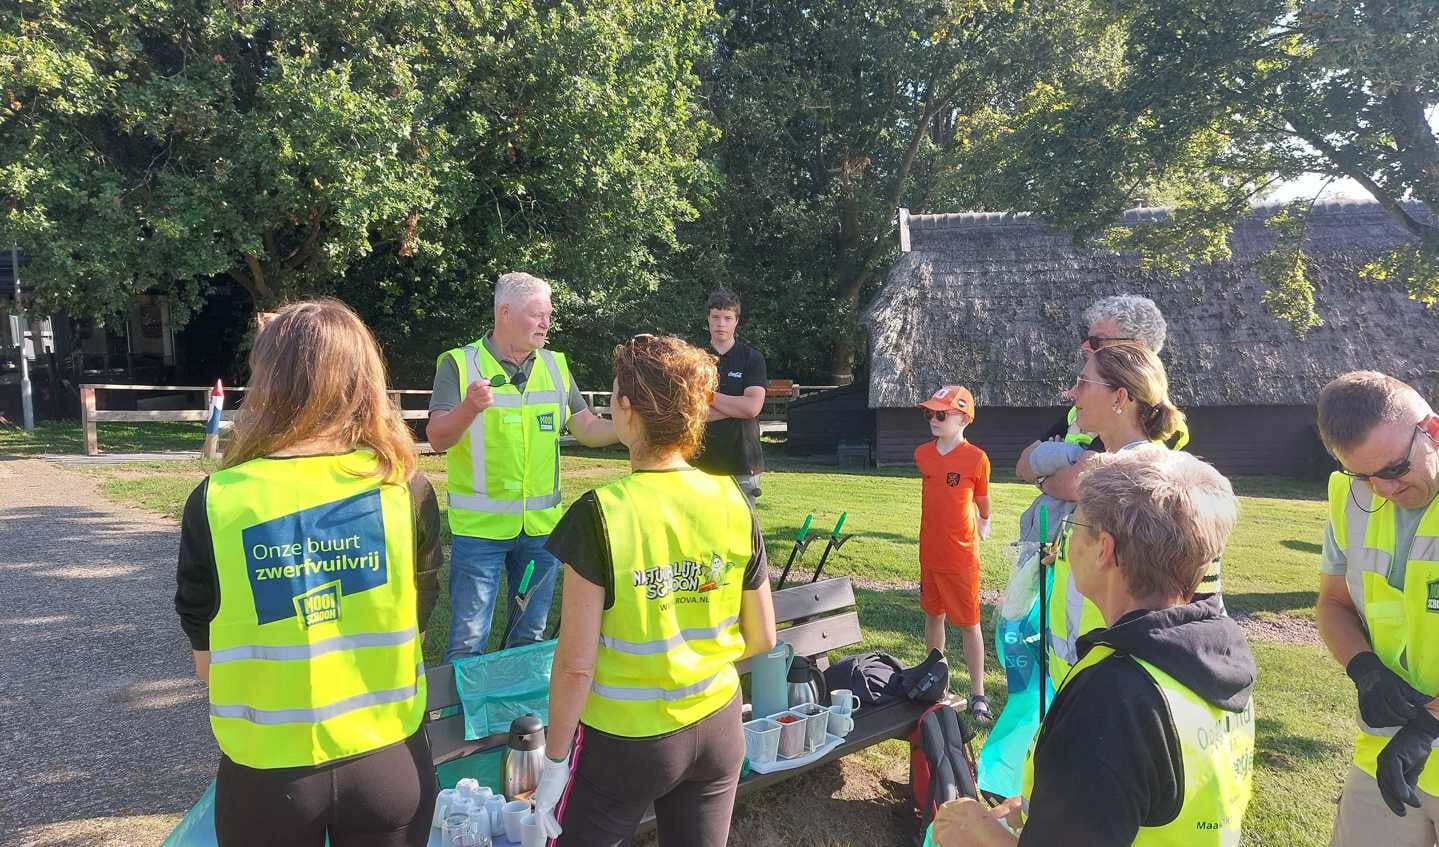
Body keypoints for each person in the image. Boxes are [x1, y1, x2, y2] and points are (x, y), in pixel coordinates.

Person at [174, 299, 442, 846]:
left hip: (266, 777)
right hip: (389, 761)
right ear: (365, 377)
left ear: (267, 382)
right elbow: (413, 627)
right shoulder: (405, 491)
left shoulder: (218, 501)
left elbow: (207, 665)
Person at [933, 447, 1256, 846]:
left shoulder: (1114, 697)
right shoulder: (1212, 657)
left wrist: (975, 830)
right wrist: (1044, 805)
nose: (1065, 542)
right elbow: (1149, 791)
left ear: (1104, 549)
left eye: (1073, 526)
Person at [529, 334, 778, 847]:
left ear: (626, 408)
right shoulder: (732, 500)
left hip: (625, 741)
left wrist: (554, 763)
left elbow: (575, 665)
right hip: (718, 725)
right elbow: (763, 637)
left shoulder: (600, 512)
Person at [427, 272, 617, 661]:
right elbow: (437, 437)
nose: (546, 323)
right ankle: (467, 722)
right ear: (505, 313)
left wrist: (631, 431)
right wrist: (468, 408)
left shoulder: (555, 366)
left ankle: (519, 720)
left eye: (548, 314)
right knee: (468, 641)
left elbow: (586, 427)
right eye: (537, 315)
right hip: (480, 533)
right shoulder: (459, 364)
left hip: (542, 532)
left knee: (529, 638)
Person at [1040, 344, 1216, 685]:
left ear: (1119, 397)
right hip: (1080, 676)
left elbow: (1200, 595)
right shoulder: (1106, 473)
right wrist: (1065, 556)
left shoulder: (1151, 483)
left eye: (1083, 382)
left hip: (1117, 681)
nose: (1071, 392)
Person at [1315, 371, 1439, 845]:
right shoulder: (1352, 497)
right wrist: (1364, 668)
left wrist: (1429, 726)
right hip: (1384, 748)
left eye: (1394, 469)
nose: (1382, 490)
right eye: (1363, 475)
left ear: (1433, 430)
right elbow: (1332, 603)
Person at [914, 385, 993, 722]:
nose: (933, 419)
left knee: (969, 623)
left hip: (961, 558)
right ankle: (935, 678)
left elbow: (982, 498)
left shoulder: (976, 458)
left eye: (941, 414)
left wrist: (985, 521)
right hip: (930, 553)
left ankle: (978, 693)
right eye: (929, 413)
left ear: (963, 418)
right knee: (934, 614)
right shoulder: (923, 454)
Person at [691, 288, 767, 500]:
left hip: (742, 462)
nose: (721, 324)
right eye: (716, 317)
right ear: (708, 319)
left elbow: (752, 407)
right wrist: (737, 408)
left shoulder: (752, 358)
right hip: (699, 462)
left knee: (742, 530)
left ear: (736, 321)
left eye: (727, 318)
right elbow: (689, 412)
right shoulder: (694, 359)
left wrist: (708, 396)